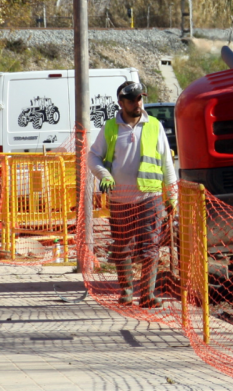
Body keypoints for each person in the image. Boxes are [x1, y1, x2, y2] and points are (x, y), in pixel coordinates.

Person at [88, 81, 177, 307]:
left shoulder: (155, 126)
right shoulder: (110, 128)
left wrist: (172, 197)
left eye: (140, 98)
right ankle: (127, 291)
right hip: (120, 200)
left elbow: (167, 164)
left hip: (150, 197)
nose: (137, 103)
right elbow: (93, 157)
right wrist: (104, 176)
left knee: (151, 247)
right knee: (122, 246)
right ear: (121, 102)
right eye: (132, 99)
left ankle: (147, 295)